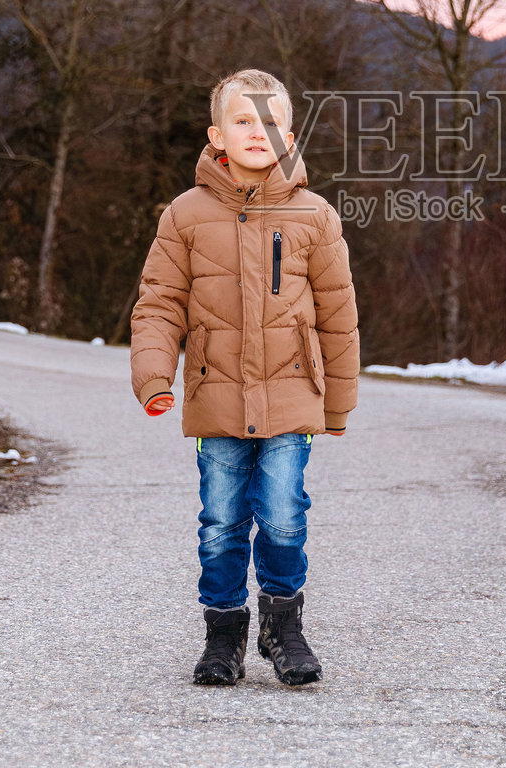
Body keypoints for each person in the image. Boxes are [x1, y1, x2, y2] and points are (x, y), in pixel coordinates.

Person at [129, 67, 360, 687]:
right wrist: (154, 378)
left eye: (273, 120)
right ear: (216, 133)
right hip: (216, 393)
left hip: (292, 393)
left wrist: (337, 403)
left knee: (284, 514)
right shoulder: (184, 215)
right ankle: (223, 633)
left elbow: (339, 317)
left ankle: (284, 626)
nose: (259, 131)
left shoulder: (315, 216)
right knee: (221, 520)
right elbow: (158, 303)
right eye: (244, 119)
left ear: (290, 134)